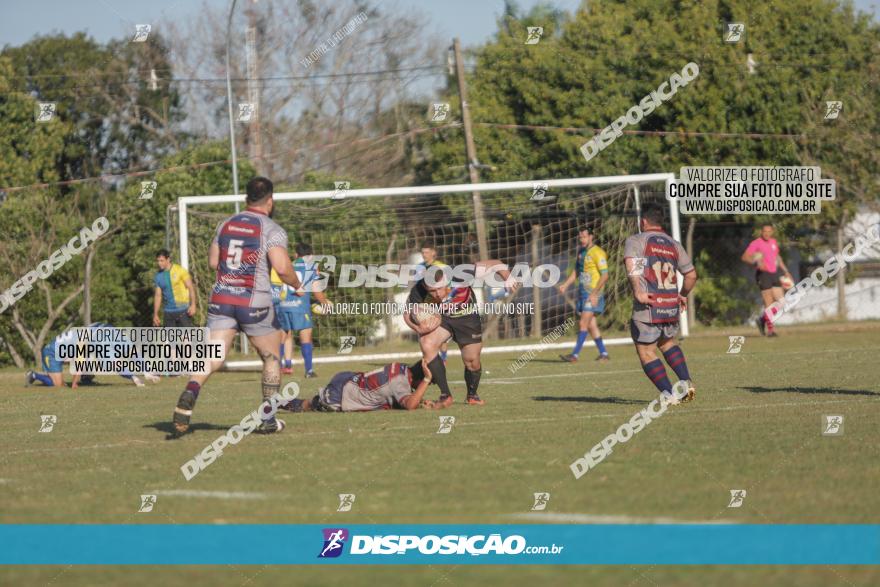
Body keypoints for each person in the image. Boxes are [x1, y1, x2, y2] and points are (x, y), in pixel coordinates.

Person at [171, 176, 302, 436]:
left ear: (246, 199)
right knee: (271, 357)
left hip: (222, 299)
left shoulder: (225, 224)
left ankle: (191, 391)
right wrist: (297, 284)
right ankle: (267, 418)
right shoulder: (271, 229)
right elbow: (283, 267)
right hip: (254, 302)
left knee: (212, 357)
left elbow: (212, 262)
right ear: (271, 201)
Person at [403, 261, 509, 407]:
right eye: (431, 291)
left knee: (472, 361)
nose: (437, 294)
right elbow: (407, 314)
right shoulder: (419, 289)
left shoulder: (460, 273)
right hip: (442, 319)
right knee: (427, 343)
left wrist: (508, 277)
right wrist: (418, 329)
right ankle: (445, 395)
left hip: (467, 318)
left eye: (439, 289)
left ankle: (472, 395)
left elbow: (495, 264)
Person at [623, 204, 697, 404]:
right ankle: (686, 381)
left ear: (643, 222)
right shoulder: (674, 244)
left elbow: (633, 263)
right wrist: (682, 294)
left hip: (649, 306)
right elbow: (691, 275)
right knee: (667, 343)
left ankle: (669, 395)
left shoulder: (637, 240)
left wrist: (638, 290)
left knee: (647, 352)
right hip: (670, 307)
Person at [25, 322, 159, 388]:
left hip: (74, 348)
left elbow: (132, 352)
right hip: (51, 353)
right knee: (58, 385)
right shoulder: (89, 339)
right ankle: (34, 375)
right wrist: (74, 382)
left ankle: (86, 378)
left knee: (98, 360)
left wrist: (146, 372)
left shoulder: (105, 336)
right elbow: (80, 359)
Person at [279, 359, 445, 412]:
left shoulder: (401, 368)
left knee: (310, 403)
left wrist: (423, 402)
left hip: (349, 378)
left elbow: (393, 395)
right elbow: (409, 405)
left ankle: (278, 402)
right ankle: (277, 403)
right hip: (342, 394)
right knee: (307, 405)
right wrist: (427, 379)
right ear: (419, 376)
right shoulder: (400, 383)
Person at [270, 243, 331, 377]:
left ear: (296, 255)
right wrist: (324, 303)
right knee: (305, 336)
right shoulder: (311, 267)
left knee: (282, 337)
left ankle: (277, 369)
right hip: (300, 306)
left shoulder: (287, 265)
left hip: (283, 305)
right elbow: (316, 289)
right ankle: (309, 371)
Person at [558, 226, 611, 362]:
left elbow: (605, 275)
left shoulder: (598, 252)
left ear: (591, 236)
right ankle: (604, 354)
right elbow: (577, 271)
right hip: (583, 293)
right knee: (591, 325)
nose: (582, 239)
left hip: (593, 294)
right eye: (580, 237)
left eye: (585, 237)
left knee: (583, 323)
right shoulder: (581, 252)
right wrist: (565, 284)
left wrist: (594, 294)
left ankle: (574, 355)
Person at [741, 224, 793, 337]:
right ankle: (770, 331)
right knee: (769, 304)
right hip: (763, 275)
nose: (767, 233)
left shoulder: (773, 242)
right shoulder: (756, 243)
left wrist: (786, 271)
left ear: (772, 232)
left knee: (782, 302)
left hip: (774, 273)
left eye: (769, 231)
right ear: (761, 232)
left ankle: (762, 320)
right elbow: (745, 257)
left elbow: (777, 257)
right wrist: (756, 263)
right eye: (765, 231)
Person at [414, 242, 449, 363]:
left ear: (433, 252)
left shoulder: (442, 266)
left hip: (440, 302)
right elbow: (418, 286)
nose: (424, 254)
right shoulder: (419, 267)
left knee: (442, 332)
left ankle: (443, 358)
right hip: (426, 304)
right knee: (426, 330)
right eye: (422, 252)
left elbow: (447, 285)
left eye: (426, 252)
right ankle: (429, 358)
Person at [153, 250, 197, 327]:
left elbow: (191, 288)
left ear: (168, 259)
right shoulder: (158, 276)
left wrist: (193, 305)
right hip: (168, 312)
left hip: (183, 310)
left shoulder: (180, 270)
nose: (159, 263)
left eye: (162, 261)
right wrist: (155, 314)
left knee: (185, 338)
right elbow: (158, 296)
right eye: (158, 261)